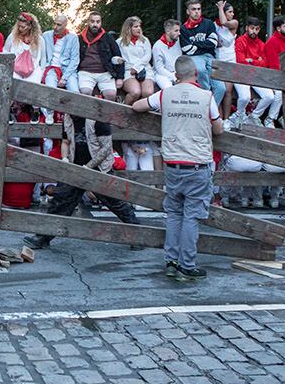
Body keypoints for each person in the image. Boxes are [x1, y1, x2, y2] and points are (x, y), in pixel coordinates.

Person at [133, 56, 223, 281]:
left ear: (175, 75)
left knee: (174, 214)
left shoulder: (165, 94)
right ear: (195, 74)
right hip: (197, 164)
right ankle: (187, 265)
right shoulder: (206, 96)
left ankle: (171, 261)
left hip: (172, 164)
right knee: (192, 216)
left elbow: (137, 106)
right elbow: (219, 128)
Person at [22, 114, 138, 250]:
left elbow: (106, 148)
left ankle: (138, 235)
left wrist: (88, 168)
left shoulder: (98, 118)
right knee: (61, 201)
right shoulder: (67, 118)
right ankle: (43, 237)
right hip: (75, 167)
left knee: (115, 203)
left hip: (98, 169)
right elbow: (66, 141)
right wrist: (65, 158)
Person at [233, 17, 276, 128]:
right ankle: (238, 116)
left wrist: (252, 61)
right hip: (241, 74)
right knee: (245, 97)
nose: (254, 31)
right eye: (252, 28)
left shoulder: (261, 44)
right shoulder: (240, 41)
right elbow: (240, 60)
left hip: (256, 76)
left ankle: (253, 117)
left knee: (270, 97)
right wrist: (258, 60)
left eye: (257, 29)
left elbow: (265, 63)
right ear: (247, 28)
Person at [179, 0, 224, 104]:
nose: (197, 12)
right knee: (200, 69)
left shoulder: (208, 24)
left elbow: (213, 43)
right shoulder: (184, 29)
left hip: (210, 56)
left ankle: (210, 111)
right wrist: (205, 44)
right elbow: (187, 49)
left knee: (221, 88)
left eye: (199, 9)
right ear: (188, 12)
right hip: (195, 57)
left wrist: (196, 45)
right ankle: (205, 96)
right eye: (193, 9)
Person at [40, 14, 79, 125]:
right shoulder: (46, 35)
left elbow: (75, 60)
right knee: (50, 88)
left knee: (75, 91)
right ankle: (50, 113)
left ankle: (73, 118)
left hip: (67, 70)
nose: (55, 27)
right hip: (51, 68)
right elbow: (42, 55)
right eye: (55, 23)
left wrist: (65, 78)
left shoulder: (73, 38)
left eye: (59, 25)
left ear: (65, 25)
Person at [76, 12, 121, 99]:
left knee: (111, 94)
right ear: (88, 22)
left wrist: (120, 77)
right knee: (85, 92)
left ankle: (105, 113)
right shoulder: (80, 38)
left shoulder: (107, 38)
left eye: (98, 22)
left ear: (101, 23)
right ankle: (87, 112)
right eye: (92, 21)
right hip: (85, 72)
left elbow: (118, 57)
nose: (95, 24)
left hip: (105, 72)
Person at [262, 14, 285, 126]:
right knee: (279, 94)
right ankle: (270, 118)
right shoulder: (271, 42)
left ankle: (282, 117)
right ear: (278, 28)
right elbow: (273, 65)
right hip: (274, 76)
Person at [116, 16, 155, 105]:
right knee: (135, 92)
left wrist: (136, 68)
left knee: (148, 93)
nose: (139, 29)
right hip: (128, 71)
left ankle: (138, 111)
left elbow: (147, 56)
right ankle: (124, 111)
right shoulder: (119, 42)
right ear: (128, 28)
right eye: (136, 26)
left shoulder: (145, 40)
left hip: (144, 70)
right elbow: (115, 56)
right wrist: (117, 60)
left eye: (139, 26)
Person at [4, 12, 46, 86]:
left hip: (33, 72)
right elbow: (5, 52)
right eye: (19, 26)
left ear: (30, 26)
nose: (20, 29)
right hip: (13, 70)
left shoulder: (39, 40)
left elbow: (43, 58)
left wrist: (42, 72)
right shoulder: (12, 36)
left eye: (23, 27)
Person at [214, 1, 239, 124]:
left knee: (228, 91)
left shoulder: (234, 23)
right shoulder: (213, 25)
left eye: (232, 12)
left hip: (229, 60)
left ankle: (227, 119)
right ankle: (218, 118)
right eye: (229, 11)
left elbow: (224, 22)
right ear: (224, 13)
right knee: (219, 90)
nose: (232, 14)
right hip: (217, 60)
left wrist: (220, 8)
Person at [152, 19, 181, 90]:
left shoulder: (179, 41)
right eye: (176, 31)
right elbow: (159, 68)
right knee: (168, 89)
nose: (179, 33)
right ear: (168, 31)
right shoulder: (157, 46)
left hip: (178, 72)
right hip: (162, 75)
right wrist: (173, 76)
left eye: (179, 30)